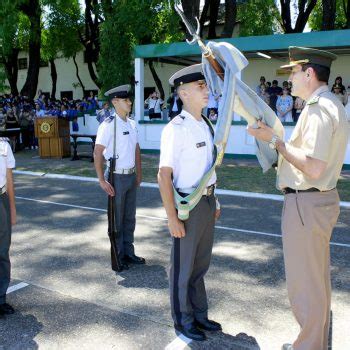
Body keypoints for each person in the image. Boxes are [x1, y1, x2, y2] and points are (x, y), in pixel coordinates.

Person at [248, 46, 349, 350]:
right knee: (316, 283)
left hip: (306, 203)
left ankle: (308, 346)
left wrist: (275, 141)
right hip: (317, 202)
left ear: (309, 73)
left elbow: (314, 167)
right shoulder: (330, 104)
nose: (289, 78)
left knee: (304, 286)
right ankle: (314, 342)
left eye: (293, 72)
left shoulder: (319, 107)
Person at [158, 64, 221, 342]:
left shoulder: (205, 124)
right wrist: (172, 217)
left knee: (200, 265)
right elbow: (163, 175)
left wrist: (215, 200)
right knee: (183, 268)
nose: (206, 90)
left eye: (205, 86)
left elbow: (210, 167)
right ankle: (182, 319)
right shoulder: (176, 128)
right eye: (200, 87)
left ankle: (199, 313)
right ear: (183, 93)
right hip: (187, 207)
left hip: (206, 203)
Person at [94, 85, 144, 272]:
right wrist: (101, 180)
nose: (129, 102)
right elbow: (98, 152)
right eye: (125, 100)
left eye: (129, 99)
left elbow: (136, 149)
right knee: (117, 220)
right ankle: (118, 255)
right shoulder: (108, 125)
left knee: (130, 217)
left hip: (130, 176)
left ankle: (129, 252)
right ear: (115, 102)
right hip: (115, 177)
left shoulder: (131, 123)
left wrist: (139, 173)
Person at [0, 137, 16, 317]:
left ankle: (1, 298)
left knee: (3, 250)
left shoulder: (4, 145)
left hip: (2, 199)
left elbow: (9, 179)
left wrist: (12, 208)